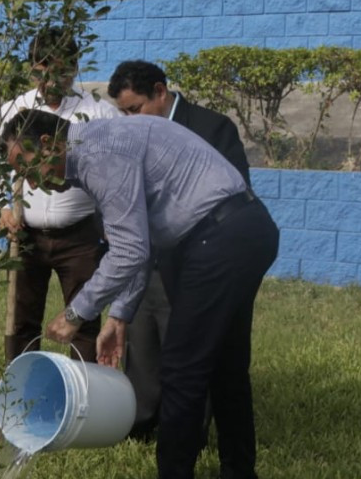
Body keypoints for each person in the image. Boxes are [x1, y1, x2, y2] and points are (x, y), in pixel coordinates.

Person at [0, 109, 278, 479]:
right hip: (244, 230)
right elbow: (138, 243)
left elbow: (130, 251)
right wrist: (121, 316)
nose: (32, 184)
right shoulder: (99, 144)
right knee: (226, 366)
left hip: (216, 238)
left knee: (182, 372)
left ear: (47, 144)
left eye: (28, 168)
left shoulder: (98, 154)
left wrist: (77, 312)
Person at [106, 60, 252, 440]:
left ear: (160, 91)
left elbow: (233, 195)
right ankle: (140, 422)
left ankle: (188, 430)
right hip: (146, 260)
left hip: (194, 261)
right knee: (142, 344)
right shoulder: (129, 136)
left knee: (187, 350)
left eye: (135, 109)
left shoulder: (212, 128)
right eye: (123, 113)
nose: (130, 120)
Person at [0, 27, 119, 363]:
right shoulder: (11, 112)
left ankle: (86, 393)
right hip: (26, 235)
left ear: (74, 69)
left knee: (84, 318)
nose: (49, 78)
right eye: (40, 69)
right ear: (31, 68)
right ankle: (22, 391)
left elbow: (115, 174)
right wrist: (2, 208)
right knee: (22, 320)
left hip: (79, 236)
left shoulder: (97, 114)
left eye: (60, 69)